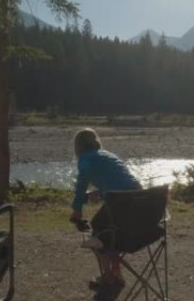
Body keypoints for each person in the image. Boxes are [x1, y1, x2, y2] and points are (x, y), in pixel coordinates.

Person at [69, 128, 142, 301]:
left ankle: (109, 278)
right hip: (142, 210)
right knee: (111, 233)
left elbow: (80, 188)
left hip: (120, 206)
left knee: (98, 236)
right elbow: (120, 184)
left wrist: (77, 211)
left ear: (78, 147)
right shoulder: (109, 156)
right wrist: (98, 193)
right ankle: (115, 274)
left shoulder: (85, 159)